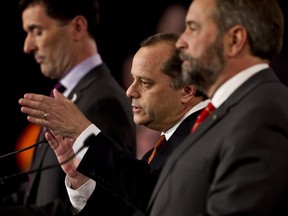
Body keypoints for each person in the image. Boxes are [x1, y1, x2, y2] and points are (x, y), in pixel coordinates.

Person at [18, 32, 209, 215]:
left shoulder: (204, 137)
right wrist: (81, 181)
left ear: (186, 90)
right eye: (133, 79)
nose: (130, 91)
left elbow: (163, 198)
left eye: (145, 82)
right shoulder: (157, 152)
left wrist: (84, 132)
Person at [147, 0, 288, 215]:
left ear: (234, 40)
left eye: (193, 28)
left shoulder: (262, 114)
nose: (180, 42)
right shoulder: (232, 109)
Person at [1, 0, 136, 215]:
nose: (28, 46)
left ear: (77, 28)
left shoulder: (103, 102)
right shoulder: (67, 96)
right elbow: (34, 193)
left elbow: (104, 207)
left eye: (37, 31)